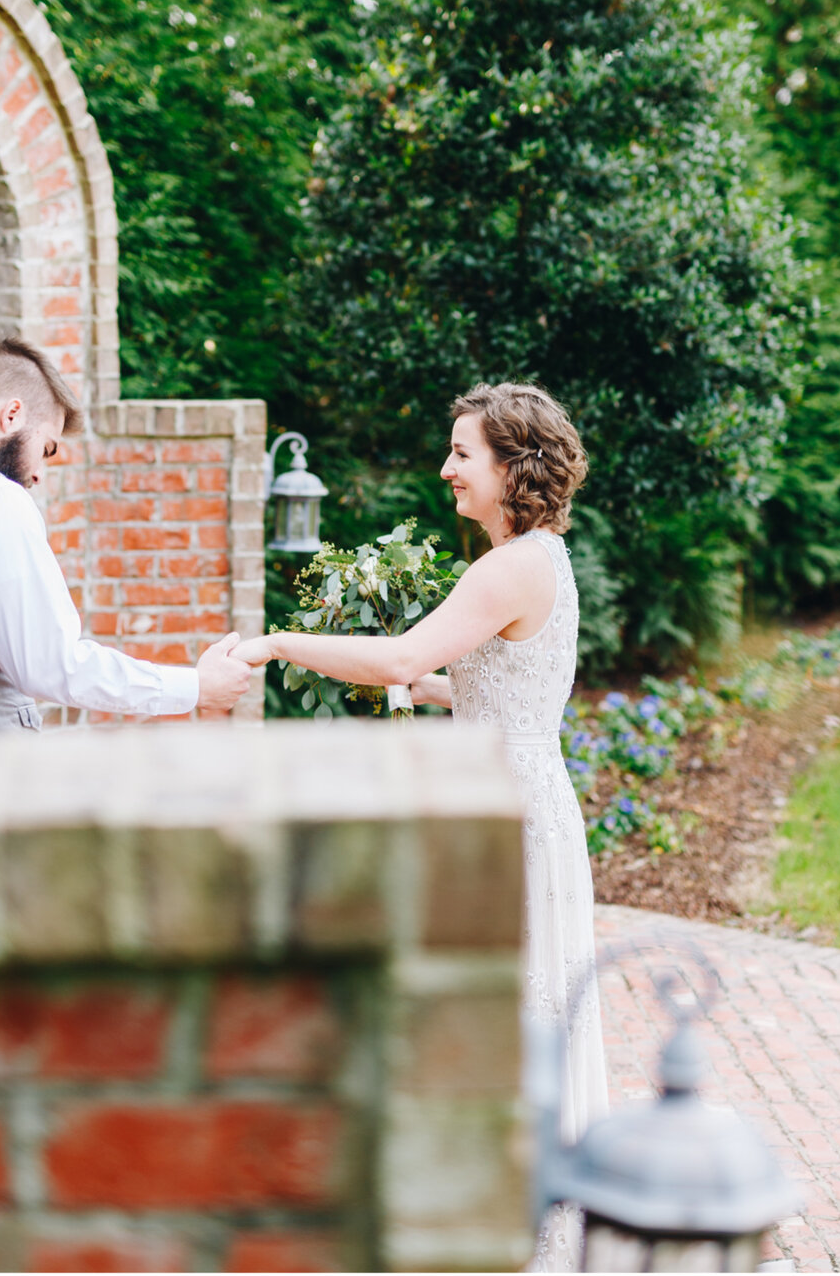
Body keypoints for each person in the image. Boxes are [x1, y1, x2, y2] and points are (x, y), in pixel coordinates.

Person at [231, 382, 608, 1260]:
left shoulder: (505, 566)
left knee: (511, 1017)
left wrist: (279, 642)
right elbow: (507, 688)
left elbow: (401, 652)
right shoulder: (541, 557)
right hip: (527, 800)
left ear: (515, 465)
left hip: (509, 820)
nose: (446, 468)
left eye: (462, 453)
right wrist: (439, 688)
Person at [0, 334, 255, 732]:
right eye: (46, 448)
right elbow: (51, 665)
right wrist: (194, 686)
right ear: (12, 414)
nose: (38, 474)